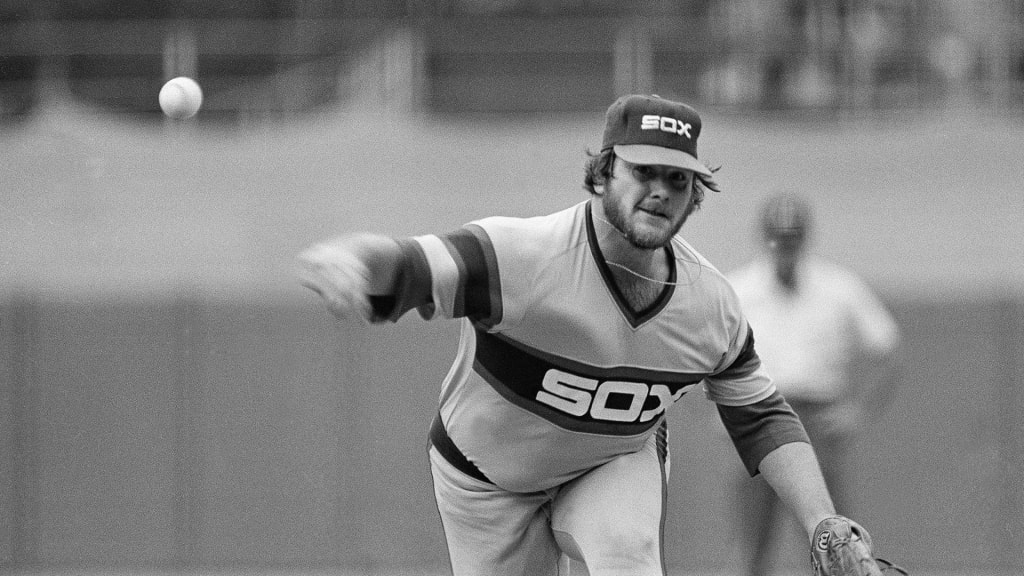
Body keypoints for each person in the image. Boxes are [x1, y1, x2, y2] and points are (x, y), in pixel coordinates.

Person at [298, 94, 878, 576]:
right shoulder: (522, 257)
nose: (660, 190)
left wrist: (823, 520)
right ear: (603, 172)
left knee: (629, 558)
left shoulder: (711, 305)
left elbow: (762, 417)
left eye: (677, 179)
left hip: (612, 460)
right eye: (642, 171)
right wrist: (349, 257)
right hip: (488, 479)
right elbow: (406, 264)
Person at [727, 192, 901, 576]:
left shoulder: (838, 288)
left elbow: (887, 349)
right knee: (752, 542)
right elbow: (703, 355)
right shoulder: (738, 289)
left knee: (832, 539)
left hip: (818, 417)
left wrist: (857, 410)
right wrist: (723, 413)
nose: (783, 247)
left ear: (804, 239)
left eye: (791, 238)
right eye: (777, 238)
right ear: (763, 238)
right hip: (757, 412)